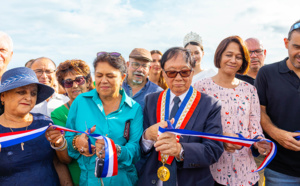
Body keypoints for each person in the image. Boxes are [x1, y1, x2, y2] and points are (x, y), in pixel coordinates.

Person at [49, 52, 143, 185]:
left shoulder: (134, 108)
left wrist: (117, 151)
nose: (103, 80)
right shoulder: (80, 102)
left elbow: (136, 149)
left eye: (110, 76)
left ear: (122, 78)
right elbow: (69, 141)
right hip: (89, 181)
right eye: (99, 75)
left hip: (123, 181)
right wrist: (77, 142)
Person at [139, 47, 224, 186]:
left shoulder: (210, 105)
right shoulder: (151, 101)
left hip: (192, 181)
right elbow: (140, 147)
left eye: (184, 72)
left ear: (192, 72)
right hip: (153, 179)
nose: (178, 77)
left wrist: (180, 150)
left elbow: (214, 150)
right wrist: (147, 136)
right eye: (172, 72)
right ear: (164, 73)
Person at [194, 36, 271, 186]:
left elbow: (255, 127)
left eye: (239, 57)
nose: (233, 60)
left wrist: (259, 142)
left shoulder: (250, 90)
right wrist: (220, 139)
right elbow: (194, 126)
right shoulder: (200, 87)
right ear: (219, 55)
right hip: (212, 171)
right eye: (228, 55)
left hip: (246, 173)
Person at [255, 20, 300, 185]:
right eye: (296, 47)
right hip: (280, 171)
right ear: (286, 43)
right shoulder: (267, 73)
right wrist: (276, 134)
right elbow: (259, 111)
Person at [0, 67, 60, 185]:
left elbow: (59, 162)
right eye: (21, 92)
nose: (28, 98)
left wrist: (60, 144)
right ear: (3, 96)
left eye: (33, 93)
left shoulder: (45, 122)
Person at [51, 59, 94, 186]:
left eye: (79, 80)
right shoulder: (58, 114)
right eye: (68, 82)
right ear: (64, 87)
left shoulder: (103, 105)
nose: (75, 85)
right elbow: (65, 158)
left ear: (88, 81)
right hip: (79, 175)